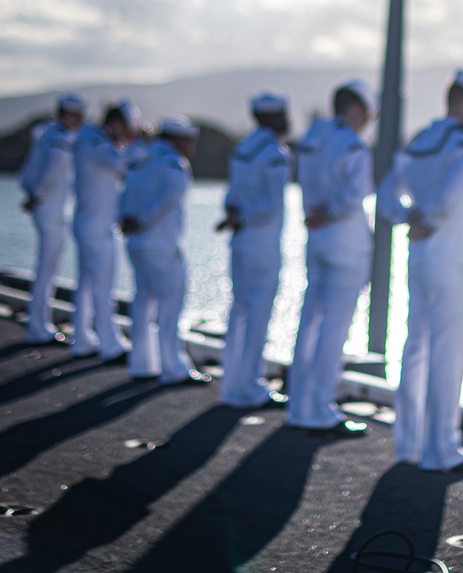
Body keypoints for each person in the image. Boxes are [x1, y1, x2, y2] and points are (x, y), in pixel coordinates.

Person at [376, 69, 463, 473]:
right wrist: (427, 215)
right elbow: (450, 197)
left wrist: (408, 216)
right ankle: (442, 448)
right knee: (447, 354)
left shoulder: (421, 140)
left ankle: (408, 444)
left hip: (420, 258)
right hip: (449, 262)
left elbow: (385, 196)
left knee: (415, 350)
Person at [286, 80, 376, 438]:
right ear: (355, 110)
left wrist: (316, 211)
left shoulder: (313, 137)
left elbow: (304, 180)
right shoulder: (352, 144)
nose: (367, 123)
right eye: (367, 115)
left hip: (317, 239)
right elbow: (356, 196)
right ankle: (320, 408)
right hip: (344, 243)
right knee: (333, 328)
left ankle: (298, 405)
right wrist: (331, 210)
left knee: (309, 322)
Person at [119, 116, 210, 385]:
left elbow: (122, 192)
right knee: (171, 306)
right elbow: (167, 199)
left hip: (136, 243)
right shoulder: (174, 164)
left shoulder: (140, 159)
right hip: (161, 244)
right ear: (176, 139)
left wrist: (125, 218)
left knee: (143, 302)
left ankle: (142, 364)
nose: (192, 145)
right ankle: (173, 368)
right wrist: (143, 220)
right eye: (189, 139)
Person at [216, 92, 292, 409]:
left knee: (239, 311)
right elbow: (272, 206)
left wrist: (235, 215)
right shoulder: (275, 153)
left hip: (241, 240)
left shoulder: (243, 149)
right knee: (258, 314)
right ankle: (250, 386)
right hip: (261, 242)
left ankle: (231, 382)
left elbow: (231, 194)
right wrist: (245, 216)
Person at [71, 99, 144, 362]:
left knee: (88, 284)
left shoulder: (92, 139)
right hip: (95, 225)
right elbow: (121, 163)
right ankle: (109, 343)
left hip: (92, 222)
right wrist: (139, 144)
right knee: (103, 285)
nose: (128, 135)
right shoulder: (95, 142)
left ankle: (82, 339)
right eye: (127, 128)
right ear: (114, 124)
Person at [18, 92, 87, 345]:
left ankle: (38, 322)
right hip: (53, 211)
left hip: (45, 209)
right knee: (48, 269)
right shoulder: (60, 140)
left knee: (44, 268)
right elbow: (51, 173)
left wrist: (32, 194)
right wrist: (38, 195)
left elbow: (28, 171)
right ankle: (39, 326)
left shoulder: (46, 134)